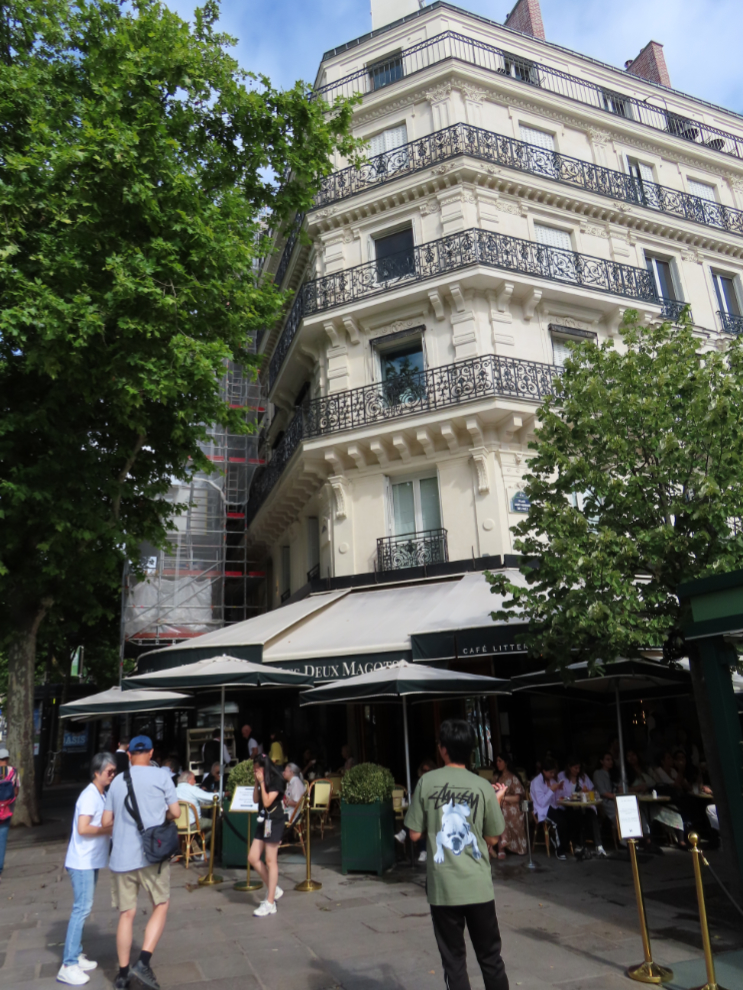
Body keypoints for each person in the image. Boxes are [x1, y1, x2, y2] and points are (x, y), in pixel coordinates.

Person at [405, 719, 509, 990]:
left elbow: (413, 834)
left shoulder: (426, 781)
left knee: (454, 962)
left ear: (443, 749)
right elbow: (492, 838)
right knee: (490, 958)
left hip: (443, 888)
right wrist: (494, 802)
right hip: (478, 887)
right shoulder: (483, 786)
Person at [101, 735, 180, 990]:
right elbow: (176, 812)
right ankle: (143, 962)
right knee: (161, 904)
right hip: (152, 856)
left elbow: (105, 822)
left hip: (121, 857)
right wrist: (158, 814)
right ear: (151, 753)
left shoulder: (116, 783)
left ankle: (122, 975)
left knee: (127, 914)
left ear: (130, 755)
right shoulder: (161, 777)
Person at [57, 753, 116, 986]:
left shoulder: (101, 794)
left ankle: (76, 955)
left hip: (89, 860)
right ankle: (68, 964)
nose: (112, 775)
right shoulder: (90, 796)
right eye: (109, 771)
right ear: (96, 772)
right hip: (82, 861)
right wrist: (108, 828)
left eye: (113, 771)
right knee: (81, 909)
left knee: (83, 907)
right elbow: (83, 828)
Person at [248, 755, 286, 917]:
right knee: (253, 857)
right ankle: (274, 887)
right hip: (263, 820)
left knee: (270, 860)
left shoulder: (277, 780)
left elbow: (268, 801)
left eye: (258, 768)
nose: (256, 771)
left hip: (274, 821)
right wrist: (257, 782)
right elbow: (256, 799)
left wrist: (262, 782)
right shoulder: (261, 780)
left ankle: (270, 902)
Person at [557, 757, 605, 858]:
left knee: (591, 815)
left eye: (579, 768)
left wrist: (587, 791)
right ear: (569, 767)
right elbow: (558, 794)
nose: (577, 771)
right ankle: (579, 844)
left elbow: (592, 791)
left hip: (584, 806)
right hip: (568, 807)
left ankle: (599, 846)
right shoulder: (561, 776)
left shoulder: (583, 777)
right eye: (575, 768)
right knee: (575, 816)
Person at [529, 758, 570, 861]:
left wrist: (559, 790)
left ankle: (564, 845)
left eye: (554, 773)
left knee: (568, 816)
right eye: (551, 772)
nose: (552, 775)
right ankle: (559, 849)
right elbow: (542, 802)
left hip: (552, 807)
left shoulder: (551, 781)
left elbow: (555, 800)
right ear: (544, 771)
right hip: (541, 810)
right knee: (559, 822)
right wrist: (552, 790)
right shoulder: (536, 782)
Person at [492, 754, 526, 859]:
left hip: (512, 804)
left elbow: (517, 798)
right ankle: (502, 844)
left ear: (506, 763)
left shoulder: (513, 778)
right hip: (499, 804)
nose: (498, 763)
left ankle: (503, 843)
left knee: (504, 810)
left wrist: (502, 798)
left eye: (500, 761)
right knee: (498, 810)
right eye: (496, 761)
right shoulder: (496, 777)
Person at [175, 772, 215, 844]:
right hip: (193, 824)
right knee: (215, 823)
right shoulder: (192, 789)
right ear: (189, 780)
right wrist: (224, 794)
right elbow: (211, 798)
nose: (195, 781)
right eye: (194, 779)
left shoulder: (173, 790)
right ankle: (199, 845)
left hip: (176, 825)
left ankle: (192, 845)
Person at [0, 747, 20, 883]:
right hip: (6, 810)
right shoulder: (13, 772)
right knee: (2, 839)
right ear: (7, 759)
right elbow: (16, 790)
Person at [593, 753, 617, 825]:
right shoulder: (598, 773)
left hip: (617, 799)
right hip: (606, 802)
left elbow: (620, 788)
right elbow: (603, 792)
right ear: (601, 761)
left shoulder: (615, 772)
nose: (611, 762)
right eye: (608, 760)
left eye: (611, 760)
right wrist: (617, 797)